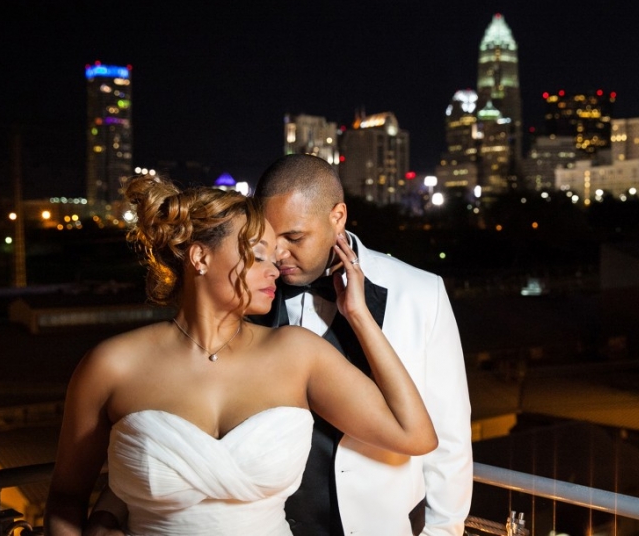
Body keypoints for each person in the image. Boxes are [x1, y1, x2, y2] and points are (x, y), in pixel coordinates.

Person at [44, 174, 437, 536]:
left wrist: (359, 315)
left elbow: (414, 435)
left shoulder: (297, 352)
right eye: (258, 255)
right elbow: (65, 500)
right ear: (200, 258)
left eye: (274, 259)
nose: (275, 270)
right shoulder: (111, 366)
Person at [253, 154, 473, 536]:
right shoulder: (247, 295)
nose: (278, 254)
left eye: (294, 237)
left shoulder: (422, 293)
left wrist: (442, 531)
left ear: (337, 217)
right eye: (269, 239)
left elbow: (450, 437)